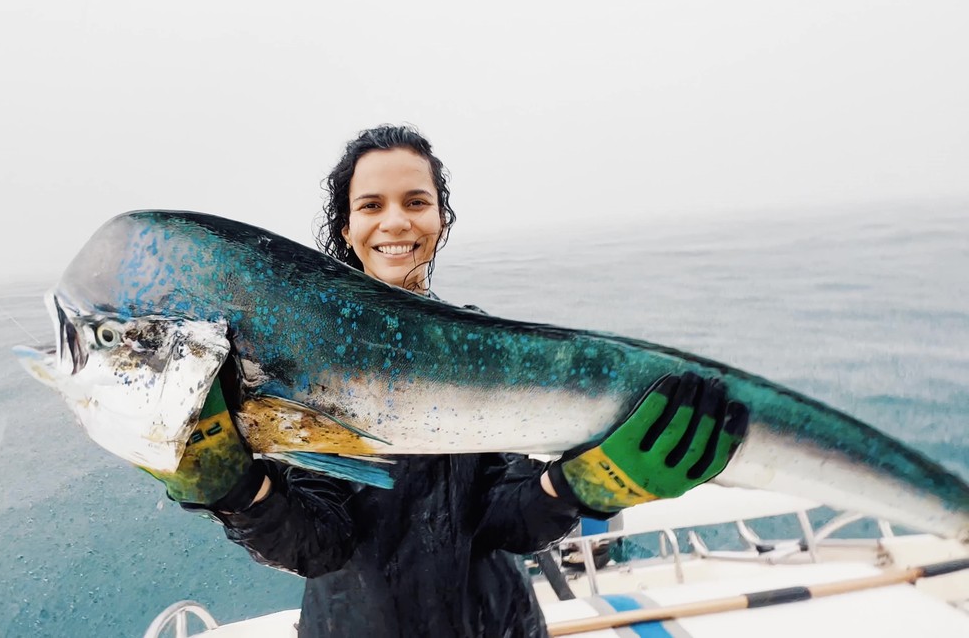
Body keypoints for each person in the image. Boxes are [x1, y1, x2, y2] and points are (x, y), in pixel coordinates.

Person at [151, 125, 749, 637]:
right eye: (371, 205)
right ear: (347, 223)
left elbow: (505, 519)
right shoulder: (300, 358)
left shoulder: (480, 345)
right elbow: (318, 542)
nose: (395, 222)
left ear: (440, 216)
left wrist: (586, 485)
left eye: (416, 201)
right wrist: (235, 490)